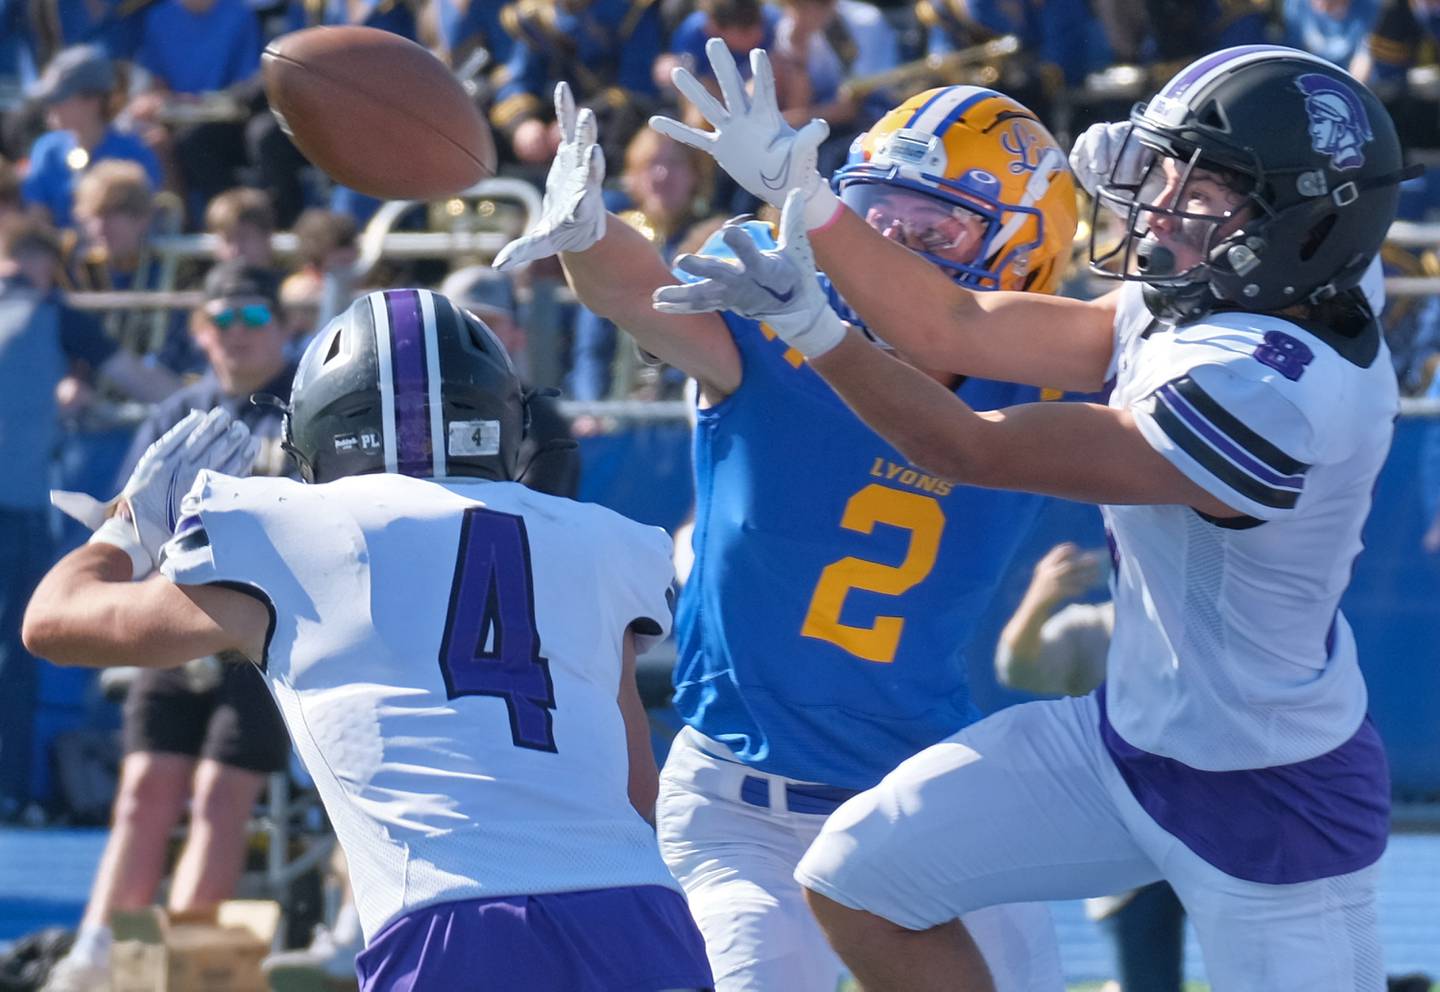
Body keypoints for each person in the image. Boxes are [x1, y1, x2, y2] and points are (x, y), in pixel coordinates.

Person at [651, 41, 1409, 991]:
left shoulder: (1270, 387)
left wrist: (817, 332)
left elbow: (971, 448)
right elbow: (956, 330)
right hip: (1123, 741)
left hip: (1267, 789)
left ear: (1296, 225)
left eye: (1205, 190)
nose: (1164, 203)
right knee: (857, 879)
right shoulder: (1263, 283)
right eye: (1173, 170)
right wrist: (814, 200)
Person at [495, 69, 1076, 990]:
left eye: (932, 228)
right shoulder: (781, 320)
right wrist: (591, 234)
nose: (889, 244)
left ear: (1024, 256)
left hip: (928, 792)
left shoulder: (1047, 376)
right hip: (744, 807)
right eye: (877, 213)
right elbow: (642, 296)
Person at [23, 287, 716, 992]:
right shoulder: (602, 540)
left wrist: (126, 528)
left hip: (452, 922)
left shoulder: (288, 530)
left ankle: (105, 964)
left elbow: (53, 622)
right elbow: (636, 794)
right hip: (639, 913)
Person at [39, 259, 297, 992]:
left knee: (222, 801)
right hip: (174, 626)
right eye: (220, 319)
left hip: (260, 640)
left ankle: (177, 973)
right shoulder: (176, 414)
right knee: (144, 791)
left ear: (283, 327)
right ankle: (97, 959)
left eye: (252, 317)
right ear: (198, 331)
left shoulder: (307, 406)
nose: (235, 334)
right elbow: (132, 518)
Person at [0, 213, 176, 822]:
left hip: (17, 503)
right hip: (16, 508)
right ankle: (14, 793)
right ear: (47, 264)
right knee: (18, 654)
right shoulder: (56, 312)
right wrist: (213, 397)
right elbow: (141, 383)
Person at [20, 45, 162, 229]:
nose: (50, 105)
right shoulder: (46, 149)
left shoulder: (134, 153)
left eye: (60, 97)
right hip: (61, 256)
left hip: (118, 257)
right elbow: (36, 218)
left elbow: (142, 224)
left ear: (93, 100)